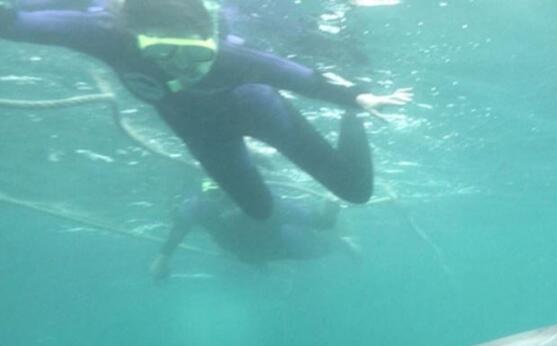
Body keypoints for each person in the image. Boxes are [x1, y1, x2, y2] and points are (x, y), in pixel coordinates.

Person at [0, 0, 411, 219]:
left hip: (259, 110)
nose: (182, 67)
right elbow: (15, 23)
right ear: (133, 39)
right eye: (163, 53)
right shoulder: (105, 34)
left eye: (195, 54)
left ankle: (351, 124)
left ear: (210, 37)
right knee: (259, 211)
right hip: (203, 134)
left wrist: (358, 100)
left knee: (355, 191)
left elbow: (300, 77)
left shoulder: (231, 57)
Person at [150, 179, 358, 281]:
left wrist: (330, 207)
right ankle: (262, 267)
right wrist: (163, 258)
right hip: (249, 254)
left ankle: (343, 244)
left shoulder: (269, 203)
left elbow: (319, 222)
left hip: (278, 249)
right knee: (249, 257)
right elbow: (181, 225)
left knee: (316, 250)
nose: (224, 200)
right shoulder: (202, 206)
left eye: (228, 193)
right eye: (214, 192)